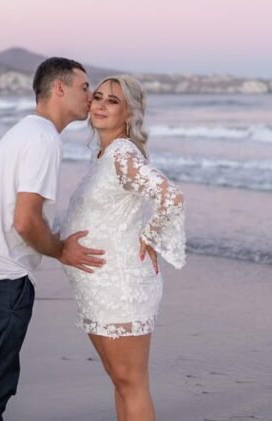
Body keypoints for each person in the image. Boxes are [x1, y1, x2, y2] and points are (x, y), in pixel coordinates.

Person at [0, 57, 106, 421]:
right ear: (59, 89)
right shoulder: (43, 140)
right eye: (85, 87)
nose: (92, 95)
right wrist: (61, 250)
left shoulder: (26, 130)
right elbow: (25, 221)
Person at [60, 74, 186, 421]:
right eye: (97, 97)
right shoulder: (104, 155)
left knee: (131, 383)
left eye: (112, 101)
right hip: (99, 288)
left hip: (121, 287)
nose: (99, 104)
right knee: (120, 381)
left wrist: (152, 236)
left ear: (129, 113)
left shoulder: (122, 154)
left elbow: (171, 197)